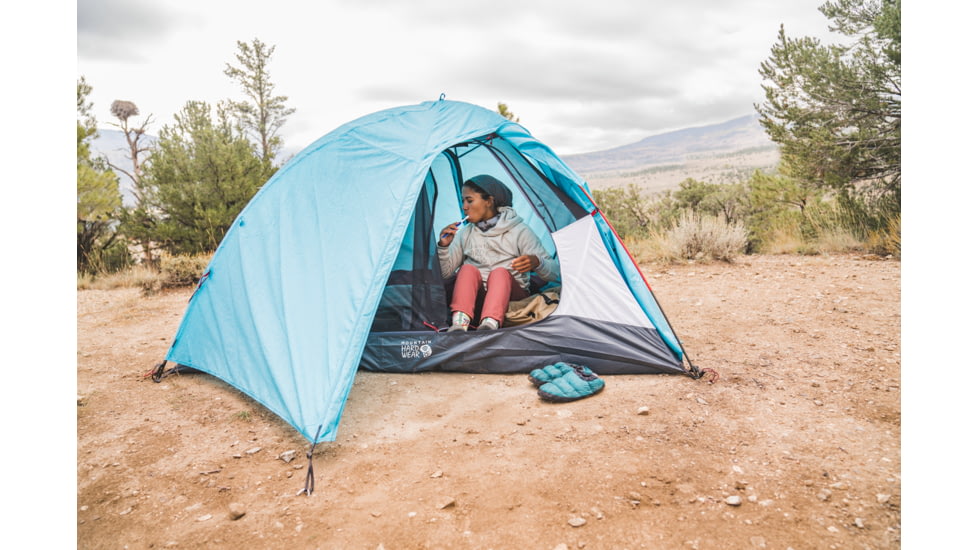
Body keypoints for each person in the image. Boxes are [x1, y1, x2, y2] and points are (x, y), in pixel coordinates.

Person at [437, 175, 559, 332]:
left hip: (511, 303)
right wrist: (443, 247)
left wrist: (537, 262)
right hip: (477, 304)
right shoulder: (465, 233)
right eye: (463, 201)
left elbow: (554, 274)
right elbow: (445, 273)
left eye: (469, 200)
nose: (464, 207)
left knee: (500, 273)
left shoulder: (519, 231)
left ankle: (491, 324)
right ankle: (459, 323)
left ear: (489, 201)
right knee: (466, 270)